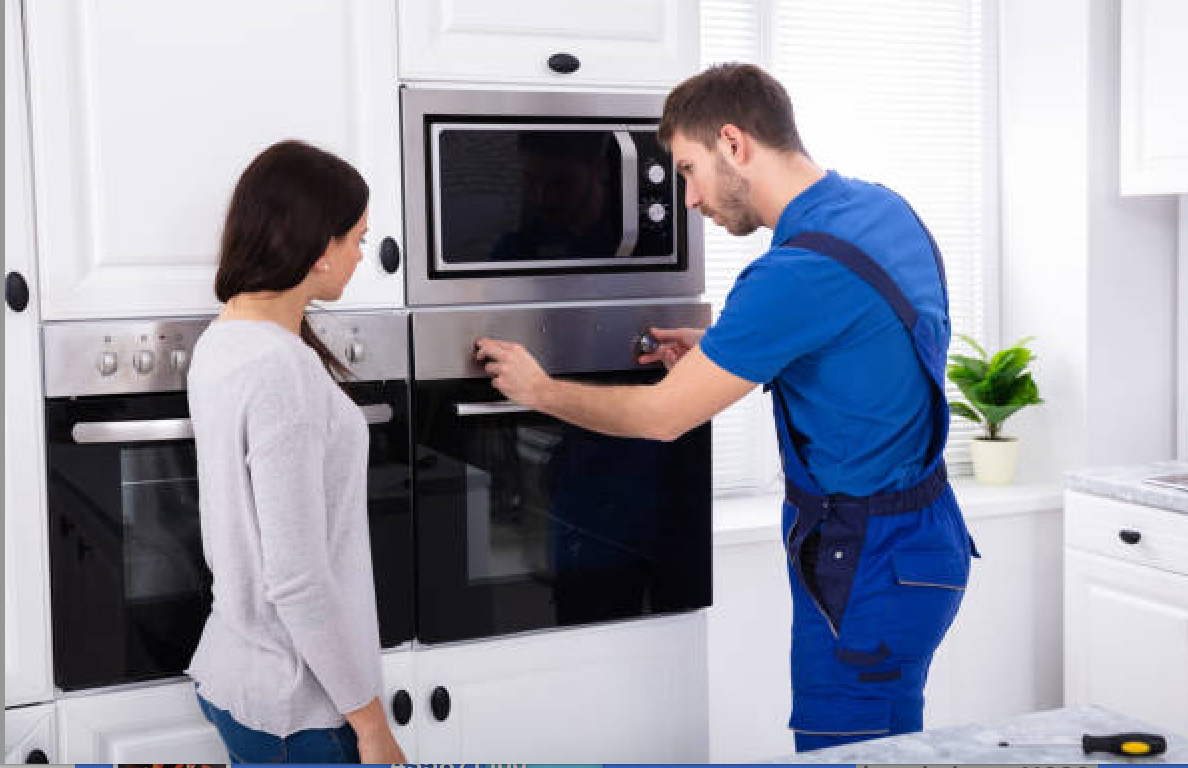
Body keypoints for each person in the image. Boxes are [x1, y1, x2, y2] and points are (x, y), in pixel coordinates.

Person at [474, 63, 978, 752]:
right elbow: (863, 334)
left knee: (845, 751)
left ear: (734, 143)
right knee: (882, 748)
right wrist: (721, 346)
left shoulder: (794, 273)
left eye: (687, 169)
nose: (687, 198)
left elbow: (663, 417)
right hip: (918, 537)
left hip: (867, 554)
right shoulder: (878, 208)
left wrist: (538, 390)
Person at [186, 140, 407, 764]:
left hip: (238, 672)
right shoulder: (281, 369)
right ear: (319, 248)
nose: (363, 255)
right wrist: (371, 727)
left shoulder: (223, 338)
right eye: (358, 239)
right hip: (302, 708)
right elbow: (299, 579)